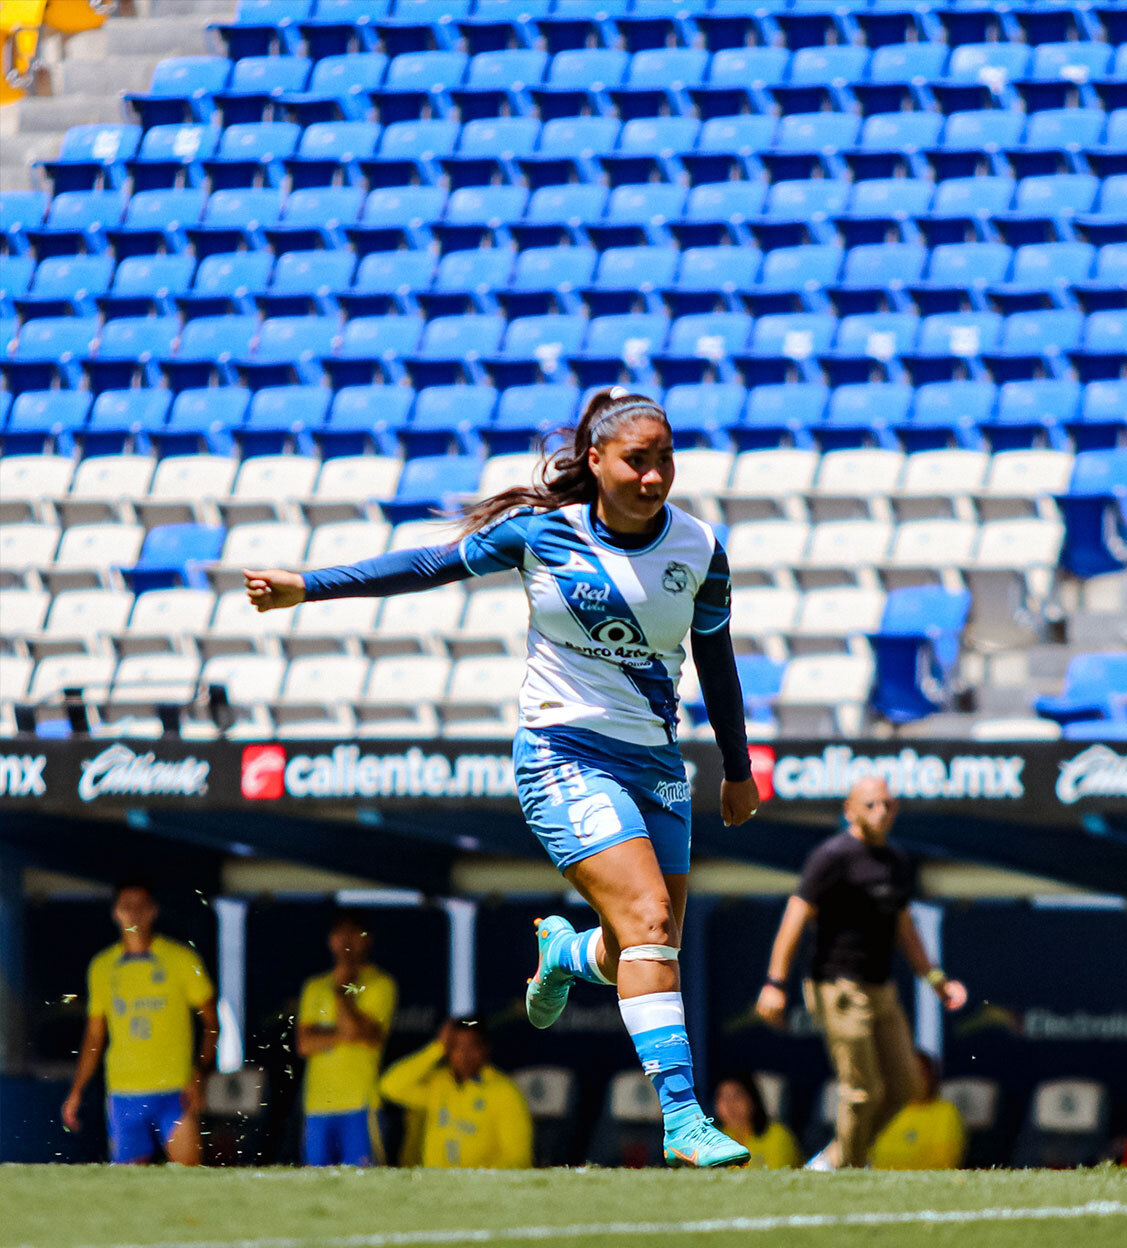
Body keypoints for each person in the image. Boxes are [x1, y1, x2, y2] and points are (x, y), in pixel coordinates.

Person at [244, 390, 761, 1168]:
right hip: (563, 753)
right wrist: (306, 586)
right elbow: (425, 565)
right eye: (637, 460)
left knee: (647, 943)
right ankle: (682, 1116)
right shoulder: (542, 533)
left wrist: (737, 766)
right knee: (651, 920)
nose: (655, 477)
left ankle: (563, 957)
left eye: (665, 459)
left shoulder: (699, 548)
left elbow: (716, 660)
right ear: (596, 461)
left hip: (657, 763)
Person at [755, 777, 968, 1169]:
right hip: (837, 988)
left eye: (888, 805)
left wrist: (937, 980)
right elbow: (796, 914)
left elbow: (904, 926)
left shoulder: (897, 862)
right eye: (871, 805)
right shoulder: (832, 856)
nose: (881, 812)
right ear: (849, 810)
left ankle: (838, 1158)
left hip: (881, 989)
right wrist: (775, 982)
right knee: (861, 1091)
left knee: (907, 1085)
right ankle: (850, 1169)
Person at [62, 881, 218, 1165]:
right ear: (115, 913)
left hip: (175, 1090)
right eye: (126, 906)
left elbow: (211, 1022)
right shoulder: (102, 966)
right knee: (130, 1185)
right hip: (124, 1091)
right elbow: (95, 1036)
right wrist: (76, 1091)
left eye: (140, 906)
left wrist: (200, 1073)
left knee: (191, 1178)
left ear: (153, 911)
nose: (133, 914)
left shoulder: (181, 958)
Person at [295, 909, 398, 1167]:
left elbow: (361, 1032)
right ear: (331, 940)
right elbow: (305, 1043)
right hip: (318, 1105)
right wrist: (346, 1034)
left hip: (360, 1105)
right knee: (315, 1184)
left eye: (354, 933)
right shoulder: (315, 986)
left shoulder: (379, 984)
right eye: (340, 934)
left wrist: (343, 991)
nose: (347, 941)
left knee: (363, 1187)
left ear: (367, 939)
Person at [378, 1018, 532, 1169]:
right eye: (456, 1046)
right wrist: (436, 1049)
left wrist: (481, 1184)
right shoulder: (438, 1084)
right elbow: (389, 1087)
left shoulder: (504, 1092)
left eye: (472, 1046)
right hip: (437, 1185)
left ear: (485, 1049)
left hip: (481, 1189)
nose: (465, 1054)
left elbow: (518, 1157)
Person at [869, 1052, 967, 1171]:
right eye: (907, 1074)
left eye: (920, 1073)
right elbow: (869, 1156)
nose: (914, 1080)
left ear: (931, 1077)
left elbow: (943, 1163)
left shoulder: (946, 1112)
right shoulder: (885, 1110)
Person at [711, 1071, 801, 1170]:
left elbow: (775, 1178)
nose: (730, 1106)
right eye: (723, 1098)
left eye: (737, 1097)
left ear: (753, 1100)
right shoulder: (713, 1140)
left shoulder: (777, 1135)